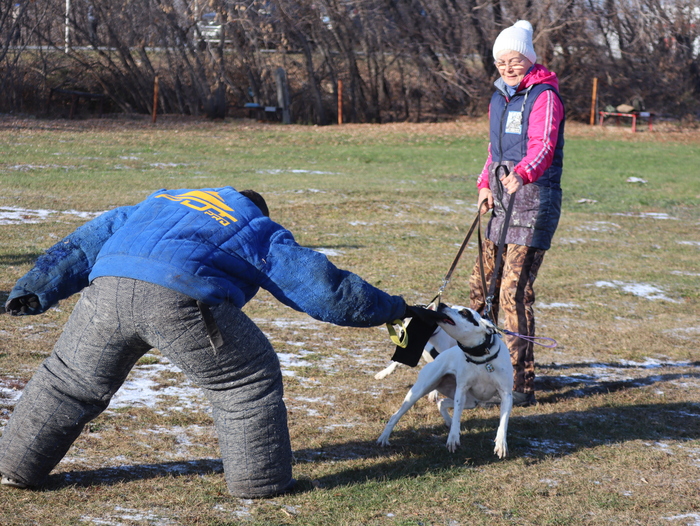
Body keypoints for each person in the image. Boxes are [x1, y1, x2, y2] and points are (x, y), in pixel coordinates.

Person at [0, 187, 433, 497]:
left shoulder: (162, 200)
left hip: (107, 288)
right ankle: (260, 484)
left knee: (68, 382)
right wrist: (394, 309)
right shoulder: (255, 225)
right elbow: (324, 289)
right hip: (181, 295)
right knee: (246, 381)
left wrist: (36, 287)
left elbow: (86, 242)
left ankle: (16, 467)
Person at [468, 20, 565, 407]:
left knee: (512, 291)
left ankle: (519, 383)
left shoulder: (545, 96)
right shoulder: (499, 97)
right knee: (481, 287)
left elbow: (543, 146)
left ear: (529, 59)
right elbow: (494, 152)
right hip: (501, 198)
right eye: (501, 61)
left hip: (534, 198)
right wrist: (484, 185)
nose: (508, 67)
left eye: (515, 60)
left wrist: (523, 174)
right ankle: (477, 368)